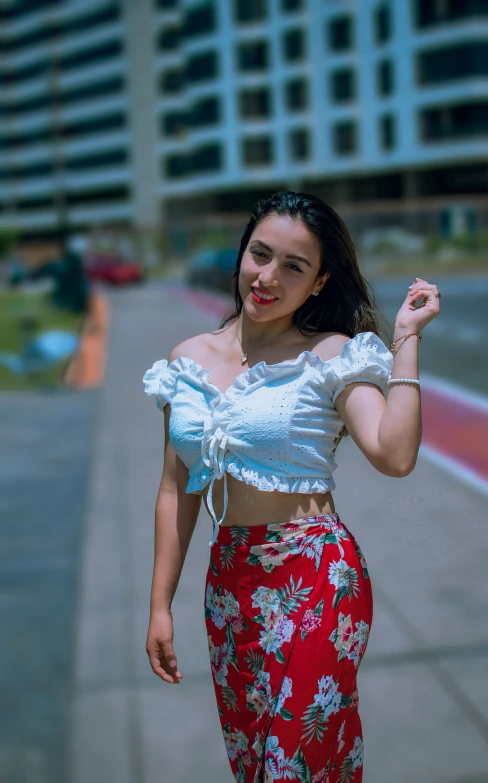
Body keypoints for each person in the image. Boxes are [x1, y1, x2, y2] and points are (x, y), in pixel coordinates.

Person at [143, 191, 441, 782]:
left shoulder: (328, 355)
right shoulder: (187, 361)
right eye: (260, 254)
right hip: (231, 585)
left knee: (291, 763)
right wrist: (159, 606)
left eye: (293, 267)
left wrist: (406, 337)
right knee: (255, 759)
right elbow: (177, 491)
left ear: (319, 283)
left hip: (317, 578)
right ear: (242, 253)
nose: (267, 277)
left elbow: (394, 453)